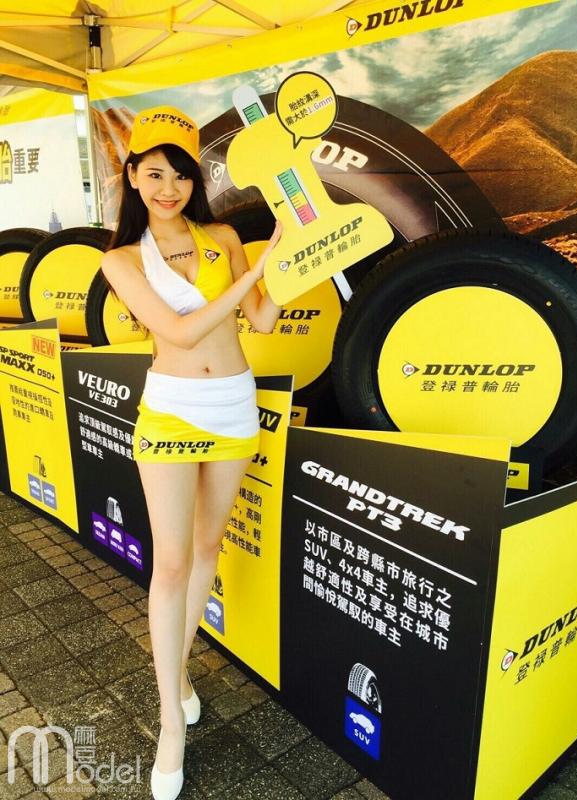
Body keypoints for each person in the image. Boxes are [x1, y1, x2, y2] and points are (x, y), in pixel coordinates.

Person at [100, 105, 282, 800]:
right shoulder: (121, 259)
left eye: (180, 174)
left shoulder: (223, 236)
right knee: (171, 562)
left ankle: (179, 673)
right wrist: (248, 276)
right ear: (133, 177)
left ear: (194, 179)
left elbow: (262, 318)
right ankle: (170, 721)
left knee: (208, 548)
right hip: (172, 410)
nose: (169, 187)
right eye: (154, 174)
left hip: (233, 405)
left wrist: (287, 262)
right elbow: (176, 334)